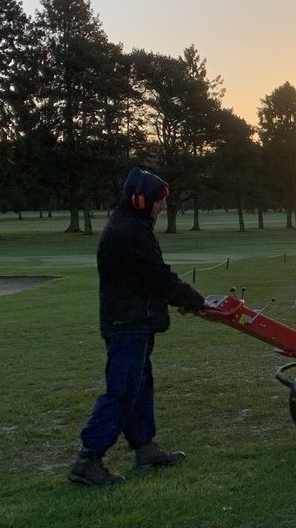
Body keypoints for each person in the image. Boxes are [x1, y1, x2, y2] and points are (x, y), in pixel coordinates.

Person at [68, 168, 206, 487]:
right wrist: (194, 301)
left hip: (135, 321)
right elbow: (156, 276)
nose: (162, 207)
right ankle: (88, 460)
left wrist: (185, 300)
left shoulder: (132, 225)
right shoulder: (129, 231)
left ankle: (145, 448)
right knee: (122, 390)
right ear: (140, 200)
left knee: (140, 385)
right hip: (126, 322)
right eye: (158, 202)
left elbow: (150, 278)